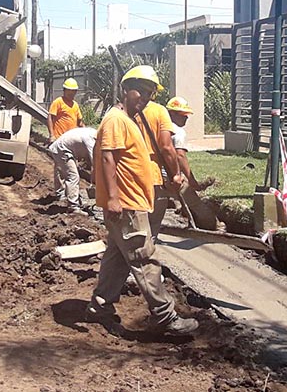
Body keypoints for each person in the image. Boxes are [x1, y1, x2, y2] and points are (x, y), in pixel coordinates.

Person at [86, 67, 198, 336]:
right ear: (125, 89)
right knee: (144, 259)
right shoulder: (116, 119)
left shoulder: (129, 119)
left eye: (149, 94)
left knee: (117, 257)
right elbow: (107, 158)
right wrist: (113, 198)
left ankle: (100, 306)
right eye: (141, 91)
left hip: (131, 202)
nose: (145, 98)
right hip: (126, 204)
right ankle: (165, 316)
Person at [130, 68, 182, 238]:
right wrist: (175, 174)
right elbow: (166, 147)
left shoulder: (121, 111)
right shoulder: (159, 111)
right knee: (150, 230)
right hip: (151, 176)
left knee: (131, 230)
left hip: (128, 176)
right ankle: (145, 258)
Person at [155, 96, 218, 232]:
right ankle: (213, 226)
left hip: (155, 175)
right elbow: (180, 156)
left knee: (154, 206)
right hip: (171, 177)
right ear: (171, 114)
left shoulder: (158, 127)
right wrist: (192, 180)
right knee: (195, 202)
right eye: (183, 115)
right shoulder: (178, 132)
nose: (186, 118)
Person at [48, 78, 84, 199]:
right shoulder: (58, 102)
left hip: (72, 142)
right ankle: (60, 193)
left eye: (74, 91)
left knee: (71, 167)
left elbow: (80, 121)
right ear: (64, 90)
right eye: (70, 91)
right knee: (59, 168)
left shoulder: (75, 105)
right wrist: (52, 134)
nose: (72, 93)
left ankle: (70, 193)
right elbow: (50, 118)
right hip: (60, 140)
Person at [48, 127, 97, 215]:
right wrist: (93, 183)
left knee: (72, 174)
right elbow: (95, 165)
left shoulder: (93, 133)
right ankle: (73, 207)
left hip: (65, 149)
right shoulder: (91, 141)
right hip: (62, 150)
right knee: (73, 176)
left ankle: (74, 200)